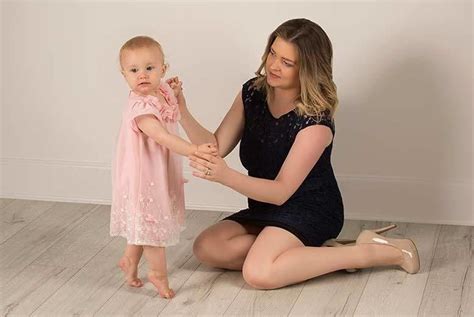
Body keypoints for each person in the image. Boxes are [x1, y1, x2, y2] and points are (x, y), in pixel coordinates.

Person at [170, 18, 420, 290]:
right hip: (264, 208)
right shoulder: (253, 92)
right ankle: (307, 253)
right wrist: (180, 108)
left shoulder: (315, 121)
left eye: (287, 63)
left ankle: (382, 252)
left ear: (308, 70)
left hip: (309, 210)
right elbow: (214, 146)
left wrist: (225, 176)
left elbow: (281, 192)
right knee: (208, 247)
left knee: (258, 274)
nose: (273, 66)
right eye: (272, 54)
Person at [110, 35, 217, 298]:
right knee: (152, 224)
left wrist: (175, 92)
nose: (142, 75)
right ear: (124, 74)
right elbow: (162, 136)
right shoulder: (140, 106)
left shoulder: (160, 91)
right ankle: (157, 273)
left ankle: (129, 260)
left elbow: (172, 104)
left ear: (163, 69)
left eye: (150, 68)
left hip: (157, 171)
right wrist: (193, 149)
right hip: (142, 175)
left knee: (143, 221)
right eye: (134, 70)